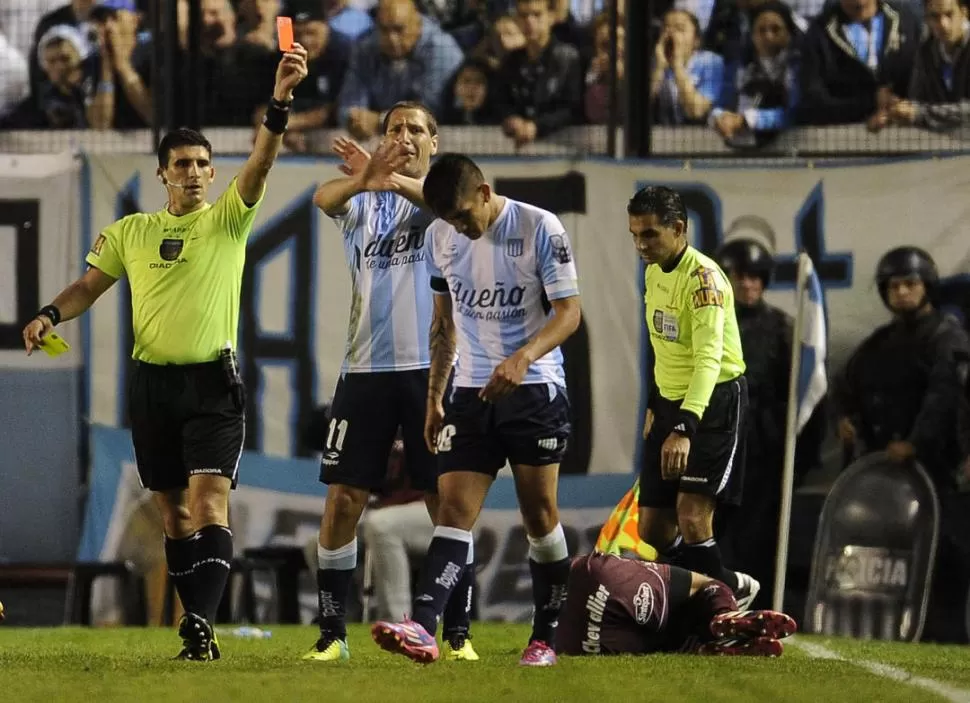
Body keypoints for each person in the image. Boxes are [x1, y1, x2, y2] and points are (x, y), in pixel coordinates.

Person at [22, 45, 310, 660]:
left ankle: (198, 622)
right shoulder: (131, 232)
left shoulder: (228, 219)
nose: (197, 172)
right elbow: (87, 288)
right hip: (152, 385)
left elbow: (260, 162)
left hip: (213, 385)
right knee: (174, 516)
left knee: (209, 503)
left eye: (205, 163)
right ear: (162, 173)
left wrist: (280, 100)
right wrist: (49, 313)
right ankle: (199, 627)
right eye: (184, 163)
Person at [371, 153, 582, 667]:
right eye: (450, 220)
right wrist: (434, 396)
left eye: (466, 215)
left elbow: (569, 313)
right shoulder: (441, 238)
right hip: (470, 391)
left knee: (540, 517)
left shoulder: (539, 227)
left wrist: (523, 357)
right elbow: (443, 325)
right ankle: (423, 627)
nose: (461, 228)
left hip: (533, 388)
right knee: (453, 512)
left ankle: (545, 637)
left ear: (485, 193)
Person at [305, 102, 478, 663]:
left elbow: (437, 202)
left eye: (416, 130)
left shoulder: (447, 200)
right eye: (395, 129)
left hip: (432, 371)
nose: (405, 136)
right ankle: (333, 636)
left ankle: (457, 636)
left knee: (443, 503)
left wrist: (390, 178)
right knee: (343, 501)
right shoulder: (367, 200)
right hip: (364, 370)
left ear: (435, 141)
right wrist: (363, 179)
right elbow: (322, 199)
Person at [628, 185, 758, 610]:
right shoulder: (652, 272)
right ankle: (727, 584)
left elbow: (707, 361)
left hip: (713, 401)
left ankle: (716, 610)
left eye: (649, 235)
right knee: (652, 528)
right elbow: (661, 346)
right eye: (634, 235)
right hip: (670, 403)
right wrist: (655, 403)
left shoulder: (705, 282)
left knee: (692, 514)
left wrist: (684, 426)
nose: (641, 245)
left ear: (679, 228)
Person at [714, 237, 825, 608]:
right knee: (709, 539)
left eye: (757, 277)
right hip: (714, 454)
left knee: (757, 547)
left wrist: (796, 464)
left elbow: (809, 401)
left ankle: (756, 617)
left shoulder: (783, 330)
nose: (749, 284)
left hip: (763, 461)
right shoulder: (707, 324)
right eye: (741, 276)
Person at [556, 552, 797, 656]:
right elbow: (702, 584)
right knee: (708, 587)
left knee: (670, 640)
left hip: (572, 640)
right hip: (600, 581)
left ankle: (707, 644)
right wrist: (723, 600)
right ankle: (722, 616)